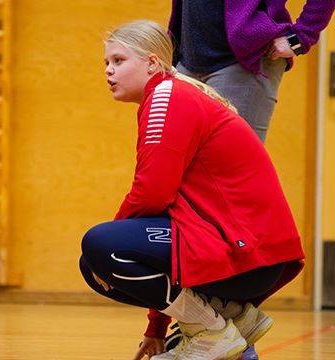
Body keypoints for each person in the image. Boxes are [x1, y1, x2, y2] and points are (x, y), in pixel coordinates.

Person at [79, 20, 305, 360]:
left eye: (119, 61)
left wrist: (106, 248)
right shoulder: (172, 95)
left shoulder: (167, 99)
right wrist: (155, 327)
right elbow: (163, 211)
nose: (109, 71)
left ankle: (213, 332)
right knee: (94, 258)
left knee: (101, 246)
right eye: (106, 63)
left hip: (245, 258)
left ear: (152, 63)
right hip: (249, 257)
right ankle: (229, 318)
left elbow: (151, 195)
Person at [169, 0, 335, 143]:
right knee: (181, 167)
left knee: (229, 171)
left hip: (245, 60)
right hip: (188, 59)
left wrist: (301, 36)